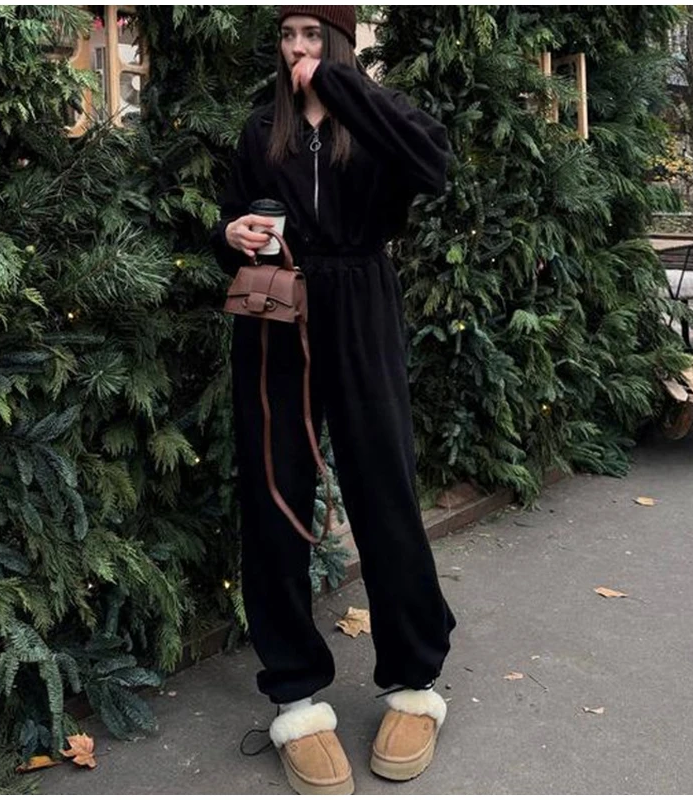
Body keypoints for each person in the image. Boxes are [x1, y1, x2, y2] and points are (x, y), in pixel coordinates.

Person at [210, 6, 457, 795]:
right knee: (275, 494)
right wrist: (231, 234)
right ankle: (294, 694)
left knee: (385, 488)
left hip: (360, 303)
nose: (297, 49)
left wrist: (345, 88)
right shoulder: (262, 130)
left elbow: (433, 165)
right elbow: (231, 215)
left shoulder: (380, 121)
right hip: (277, 314)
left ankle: (414, 680)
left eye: (313, 35)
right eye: (288, 35)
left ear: (341, 43)